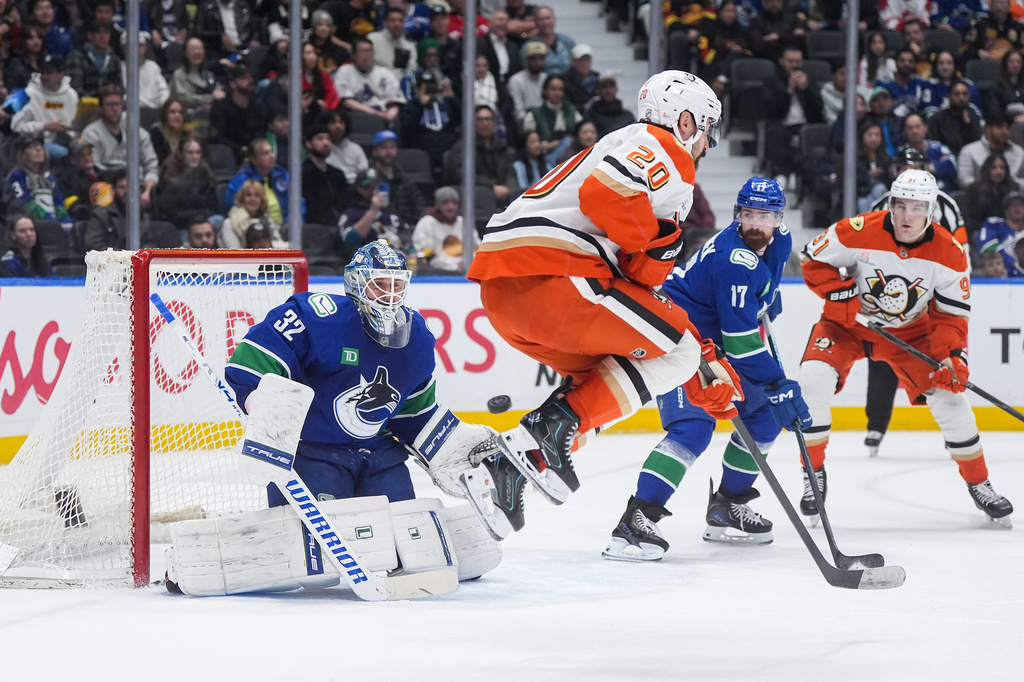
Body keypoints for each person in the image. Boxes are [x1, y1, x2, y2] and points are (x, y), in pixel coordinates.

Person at [460, 71, 742, 529]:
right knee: (681, 352)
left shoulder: (623, 144)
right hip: (556, 276)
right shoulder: (665, 147)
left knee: (596, 390)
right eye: (708, 131)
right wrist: (696, 358)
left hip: (508, 290)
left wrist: (701, 365)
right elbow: (604, 194)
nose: (708, 145)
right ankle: (544, 435)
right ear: (686, 122)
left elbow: (639, 280)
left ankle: (505, 470)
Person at [603, 177, 811, 561]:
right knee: (694, 426)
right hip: (678, 335)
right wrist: (779, 382)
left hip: (717, 341)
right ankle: (635, 521)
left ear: (779, 218)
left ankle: (727, 506)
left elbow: (759, 299)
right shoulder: (734, 259)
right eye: (748, 213)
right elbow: (742, 345)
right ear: (737, 214)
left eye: (764, 215)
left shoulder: (779, 241)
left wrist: (764, 302)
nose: (755, 223)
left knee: (764, 417)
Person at [796, 169, 1014, 527]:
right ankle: (813, 475)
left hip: (911, 334)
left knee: (951, 400)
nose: (907, 215)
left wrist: (950, 356)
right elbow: (812, 260)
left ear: (930, 210)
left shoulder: (950, 253)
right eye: (900, 205)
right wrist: (838, 293)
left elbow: (950, 317)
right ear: (891, 205)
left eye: (916, 207)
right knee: (812, 378)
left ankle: (980, 483)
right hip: (847, 326)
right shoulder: (858, 229)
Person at [81, 84, 160, 209]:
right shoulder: (91, 133)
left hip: (140, 185)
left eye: (118, 104)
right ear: (101, 108)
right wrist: (121, 188)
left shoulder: (135, 130)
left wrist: (148, 190)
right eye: (110, 105)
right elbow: (95, 169)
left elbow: (151, 164)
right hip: (109, 186)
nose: (115, 108)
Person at [10, 54, 78, 161]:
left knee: (84, 147)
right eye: (42, 72)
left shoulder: (71, 95)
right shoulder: (28, 94)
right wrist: (44, 126)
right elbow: (15, 126)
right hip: (37, 143)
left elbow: (74, 123)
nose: (44, 77)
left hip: (66, 139)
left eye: (49, 73)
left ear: (61, 74)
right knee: (63, 153)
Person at [152, 134, 220, 230]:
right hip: (181, 227)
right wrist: (197, 216)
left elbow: (213, 207)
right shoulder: (169, 178)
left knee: (220, 220)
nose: (194, 156)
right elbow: (170, 214)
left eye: (197, 153)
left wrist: (202, 217)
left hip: (205, 222)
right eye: (190, 153)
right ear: (181, 154)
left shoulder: (206, 175)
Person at [4, 133, 72, 229]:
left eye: (40, 146)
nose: (39, 149)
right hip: (30, 226)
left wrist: (65, 220)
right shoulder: (17, 176)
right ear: (22, 154)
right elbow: (25, 205)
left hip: (54, 226)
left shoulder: (49, 177)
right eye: (32, 147)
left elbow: (59, 202)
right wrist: (52, 222)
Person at [337, 168, 411, 255]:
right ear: (359, 189)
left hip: (398, 257)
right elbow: (351, 241)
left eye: (378, 187)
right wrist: (373, 211)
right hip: (369, 260)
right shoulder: (350, 214)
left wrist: (413, 252)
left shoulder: (390, 214)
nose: (374, 192)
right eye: (368, 187)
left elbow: (406, 237)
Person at [334, 37, 406, 123]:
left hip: (383, 117)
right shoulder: (344, 71)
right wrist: (374, 113)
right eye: (361, 51)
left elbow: (396, 102)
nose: (365, 55)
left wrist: (389, 116)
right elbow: (346, 101)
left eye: (368, 51)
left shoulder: (385, 73)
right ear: (353, 55)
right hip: (355, 117)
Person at [225, 138, 293, 226]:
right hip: (255, 227)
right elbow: (234, 207)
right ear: (254, 159)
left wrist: (291, 225)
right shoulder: (241, 180)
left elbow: (297, 204)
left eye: (271, 151)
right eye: (266, 153)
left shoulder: (282, 174)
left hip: (286, 227)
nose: (272, 156)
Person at [411, 186, 478, 272]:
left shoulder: (463, 222)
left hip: (466, 269)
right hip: (438, 271)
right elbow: (424, 253)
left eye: (454, 203)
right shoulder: (427, 222)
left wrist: (467, 262)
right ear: (439, 205)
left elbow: (477, 248)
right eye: (445, 203)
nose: (450, 207)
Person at [521, 73, 580, 166]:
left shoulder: (571, 111)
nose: (557, 93)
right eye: (553, 89)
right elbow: (529, 144)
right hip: (543, 158)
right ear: (545, 91)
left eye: (560, 89)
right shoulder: (534, 114)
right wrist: (552, 145)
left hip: (571, 158)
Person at [371, 128, 426, 225]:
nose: (389, 152)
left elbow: (419, 206)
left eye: (392, 147)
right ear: (375, 151)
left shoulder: (406, 180)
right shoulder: (369, 179)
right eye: (384, 147)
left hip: (406, 228)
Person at [957, 112, 1024, 189]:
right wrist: (988, 186)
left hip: (1012, 195)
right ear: (987, 129)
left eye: (1007, 128)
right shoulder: (969, 151)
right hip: (980, 197)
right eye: (999, 127)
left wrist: (1011, 184)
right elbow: (964, 180)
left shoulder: (1019, 152)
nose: (1004, 132)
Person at [961, 153, 1021, 235]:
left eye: (1002, 168)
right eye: (994, 167)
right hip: (980, 230)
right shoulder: (974, 189)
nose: (999, 171)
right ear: (987, 169)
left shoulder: (1013, 188)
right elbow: (968, 218)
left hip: (1009, 230)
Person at [302, 124, 349, 227]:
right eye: (320, 139)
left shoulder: (337, 174)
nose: (326, 143)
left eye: (328, 139)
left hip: (338, 226)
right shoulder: (303, 173)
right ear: (309, 144)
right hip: (313, 228)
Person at [220, 179, 287, 249]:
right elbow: (235, 253)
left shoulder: (267, 220)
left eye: (257, 195)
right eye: (248, 195)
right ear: (242, 199)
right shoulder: (229, 224)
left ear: (262, 200)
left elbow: (277, 244)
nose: (252, 199)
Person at [65, 18, 121, 99]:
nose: (102, 37)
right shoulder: (77, 57)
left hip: (109, 105)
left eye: (106, 33)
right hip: (84, 105)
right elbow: (74, 88)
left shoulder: (114, 59)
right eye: (98, 32)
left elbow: (119, 87)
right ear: (90, 35)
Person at [169, 37, 226, 115]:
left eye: (199, 49)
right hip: (188, 115)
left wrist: (220, 91)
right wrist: (211, 98)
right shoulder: (179, 74)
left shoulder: (207, 73)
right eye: (192, 49)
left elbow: (216, 86)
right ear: (186, 53)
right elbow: (185, 99)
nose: (196, 52)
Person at [926, 80, 983, 156]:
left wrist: (968, 124)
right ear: (949, 96)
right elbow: (932, 146)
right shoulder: (936, 120)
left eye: (964, 94)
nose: (961, 98)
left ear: (969, 97)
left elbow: (976, 147)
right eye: (957, 94)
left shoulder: (973, 121)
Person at [82, 168, 128, 251]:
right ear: (113, 189)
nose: (126, 191)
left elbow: (150, 242)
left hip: (139, 262)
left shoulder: (140, 215)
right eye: (122, 187)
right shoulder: (101, 215)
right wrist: (123, 256)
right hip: (110, 262)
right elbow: (93, 245)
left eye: (130, 187)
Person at [321, 109, 369, 184]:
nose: (338, 126)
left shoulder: (355, 148)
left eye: (341, 122)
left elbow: (364, 173)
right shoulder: (322, 148)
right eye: (332, 122)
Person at [583, 74, 634, 139]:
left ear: (616, 89)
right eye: (604, 87)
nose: (608, 90)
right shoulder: (590, 116)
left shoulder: (627, 116)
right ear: (597, 90)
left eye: (611, 87)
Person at [149, 98, 190, 165]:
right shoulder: (157, 134)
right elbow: (160, 161)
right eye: (172, 112)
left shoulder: (190, 135)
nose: (177, 115)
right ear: (165, 115)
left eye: (181, 112)